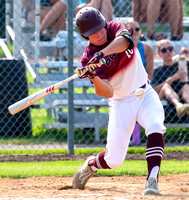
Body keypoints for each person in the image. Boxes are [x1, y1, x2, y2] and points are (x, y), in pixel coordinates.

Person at [72, 7, 166, 195]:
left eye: (100, 28)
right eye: (93, 33)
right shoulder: (87, 60)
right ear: (85, 37)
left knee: (155, 125)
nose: (99, 34)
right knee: (114, 160)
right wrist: (94, 76)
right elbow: (107, 92)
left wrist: (102, 54)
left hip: (144, 92)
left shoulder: (115, 28)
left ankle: (152, 180)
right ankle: (91, 165)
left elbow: (124, 42)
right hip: (121, 103)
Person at [125, 20, 154, 145]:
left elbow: (150, 73)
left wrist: (142, 85)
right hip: (125, 86)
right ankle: (126, 138)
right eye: (131, 30)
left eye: (137, 29)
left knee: (140, 99)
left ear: (141, 32)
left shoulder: (146, 48)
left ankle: (137, 139)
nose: (134, 32)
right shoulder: (122, 48)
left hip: (143, 84)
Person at [151, 39, 189, 118]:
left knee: (186, 86)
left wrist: (183, 56)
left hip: (181, 93)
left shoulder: (180, 64)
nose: (168, 52)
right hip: (166, 95)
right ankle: (178, 106)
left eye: (170, 49)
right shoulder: (157, 70)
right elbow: (153, 90)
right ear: (159, 54)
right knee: (166, 86)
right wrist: (172, 79)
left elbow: (184, 79)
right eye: (164, 50)